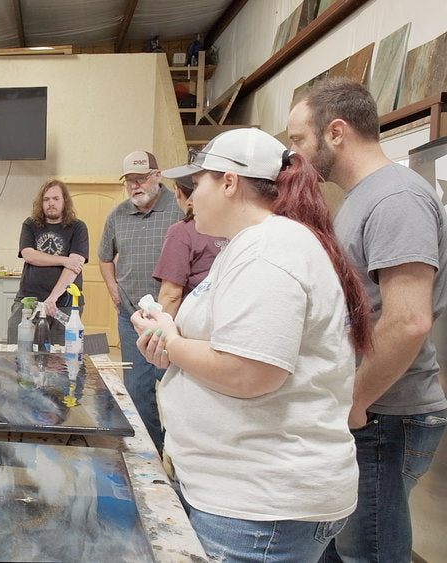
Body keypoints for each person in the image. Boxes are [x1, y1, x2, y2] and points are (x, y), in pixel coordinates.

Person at [132, 127, 373, 561]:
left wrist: (172, 340)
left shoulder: (268, 251)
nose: (189, 198)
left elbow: (250, 371)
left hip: (259, 507)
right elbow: (231, 346)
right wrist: (170, 341)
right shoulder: (249, 246)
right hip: (242, 493)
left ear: (229, 182)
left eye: (197, 183)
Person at [288, 77, 447, 562]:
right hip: (370, 411)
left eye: (298, 140)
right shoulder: (360, 197)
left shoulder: (395, 199)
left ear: (336, 132)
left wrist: (356, 400)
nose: (295, 155)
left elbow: (409, 321)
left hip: (385, 416)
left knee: (370, 553)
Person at [98, 151, 184, 453]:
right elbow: (104, 257)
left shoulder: (181, 208)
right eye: (130, 180)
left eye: (142, 178)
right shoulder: (117, 215)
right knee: (135, 391)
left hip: (174, 321)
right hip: (131, 318)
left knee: (176, 391)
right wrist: (113, 290)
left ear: (157, 176)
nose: (135, 186)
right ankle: (153, 455)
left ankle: (179, 457)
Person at [8, 179, 89, 345]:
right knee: (19, 354)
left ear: (64, 201)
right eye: (46, 199)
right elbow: (29, 254)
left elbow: (74, 266)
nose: (50, 203)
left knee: (59, 362)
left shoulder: (78, 227)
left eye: (56, 198)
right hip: (28, 301)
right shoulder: (30, 224)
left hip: (63, 305)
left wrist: (52, 299)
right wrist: (64, 260)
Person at [152, 174, 228, 316]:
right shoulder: (232, 225)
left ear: (178, 192)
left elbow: (171, 295)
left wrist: (159, 331)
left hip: (195, 322)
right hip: (230, 315)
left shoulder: (182, 231)